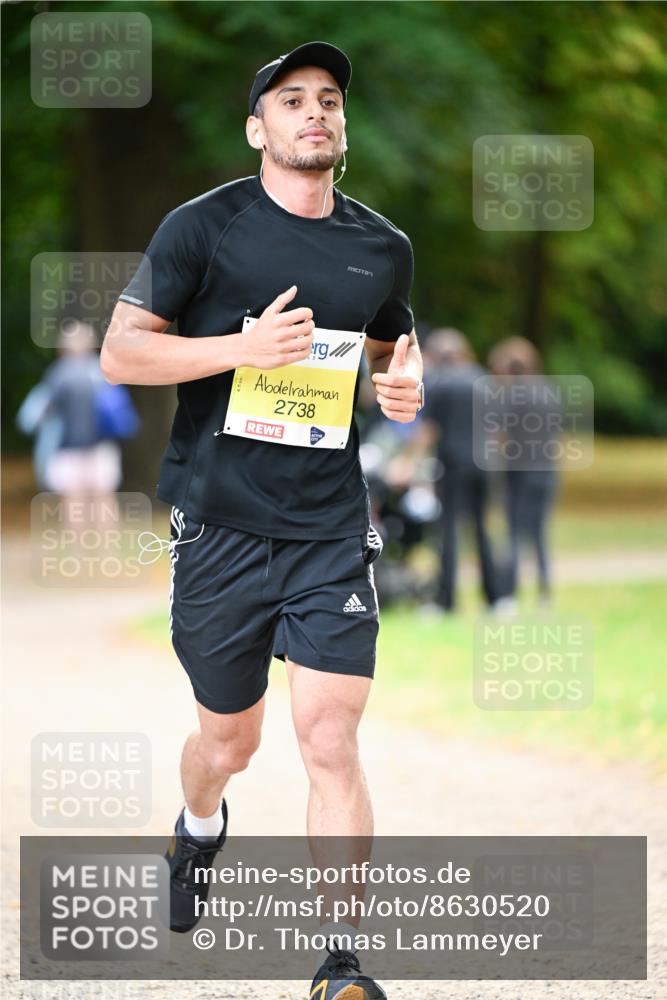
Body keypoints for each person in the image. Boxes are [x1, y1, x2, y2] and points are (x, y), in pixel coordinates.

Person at [102, 41, 423, 1000]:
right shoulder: (203, 228)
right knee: (229, 744)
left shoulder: (382, 246)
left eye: (327, 99)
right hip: (221, 527)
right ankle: (198, 828)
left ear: (342, 125)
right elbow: (122, 354)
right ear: (258, 129)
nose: (313, 112)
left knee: (328, 737)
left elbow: (390, 349)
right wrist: (240, 348)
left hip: (329, 528)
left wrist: (401, 385)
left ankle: (340, 963)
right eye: (291, 100)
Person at [416, 328, 498, 612]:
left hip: (452, 465)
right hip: (485, 464)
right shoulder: (482, 379)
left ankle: (446, 600)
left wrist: (408, 462)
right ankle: (496, 598)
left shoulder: (439, 382)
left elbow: (429, 430)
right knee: (482, 529)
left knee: (448, 530)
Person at [18, 321, 125, 532]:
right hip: (101, 446)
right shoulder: (101, 372)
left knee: (73, 503)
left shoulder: (59, 375)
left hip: (67, 449)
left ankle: (78, 548)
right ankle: (107, 547)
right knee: (104, 500)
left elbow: (37, 414)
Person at [487, 336, 559, 607]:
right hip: (547, 471)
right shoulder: (549, 391)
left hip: (518, 473)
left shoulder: (508, 395)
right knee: (540, 533)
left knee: (514, 533)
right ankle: (544, 593)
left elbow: (500, 436)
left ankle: (511, 594)